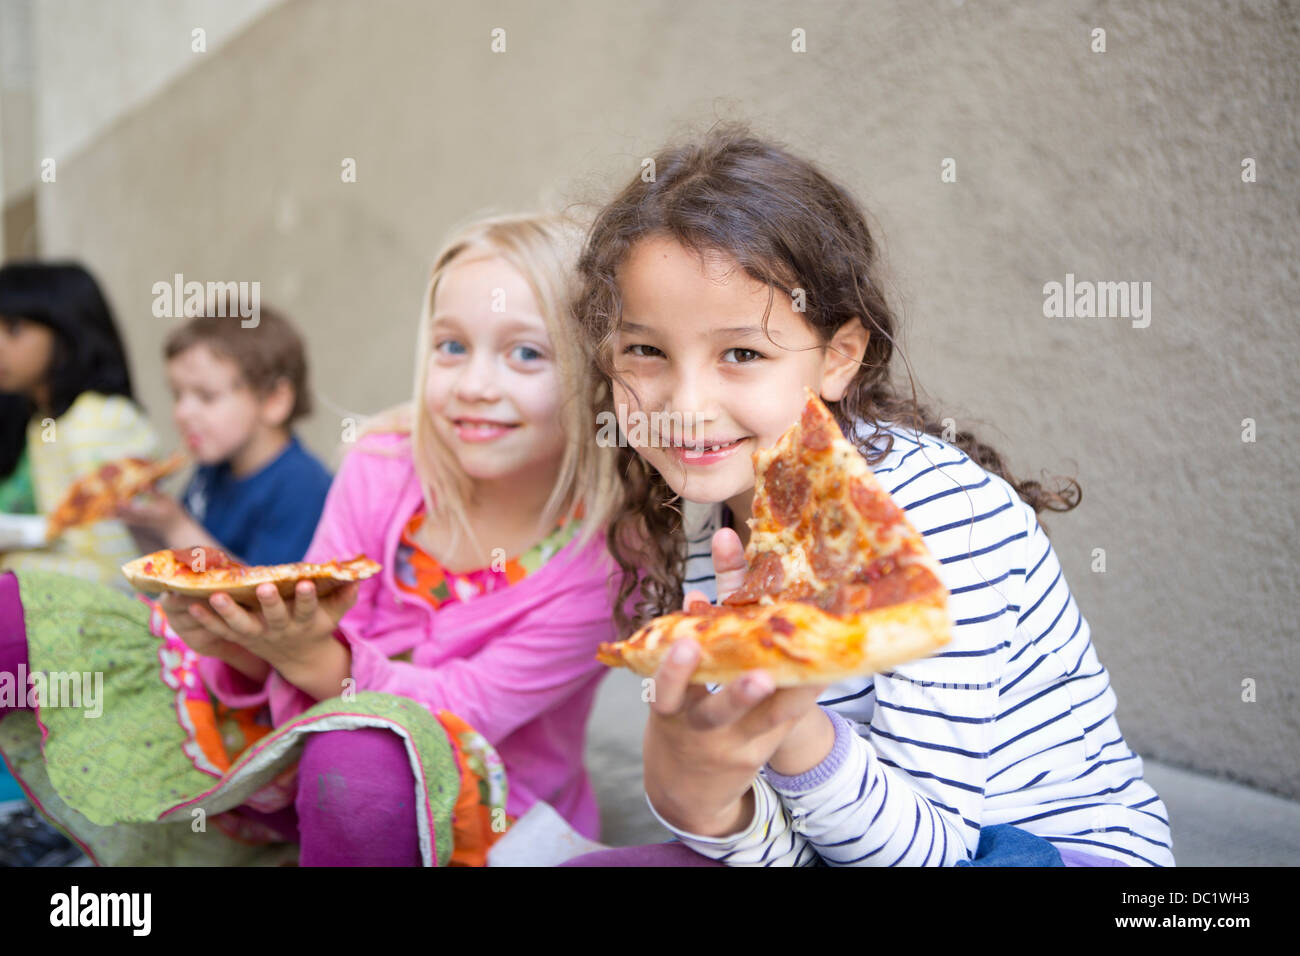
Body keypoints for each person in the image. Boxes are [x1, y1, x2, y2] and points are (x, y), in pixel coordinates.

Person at [565, 124, 1173, 867]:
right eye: (646, 350)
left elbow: (931, 857)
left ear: (839, 357)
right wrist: (708, 804)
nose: (686, 402)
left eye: (743, 353)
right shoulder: (709, 541)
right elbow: (787, 854)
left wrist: (789, 726)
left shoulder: (935, 520)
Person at [0, 212, 625, 867]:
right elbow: (308, 615)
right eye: (452, 347)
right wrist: (240, 645)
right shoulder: (382, 461)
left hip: (470, 793)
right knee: (21, 616)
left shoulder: (603, 564)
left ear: (593, 371)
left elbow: (459, 713)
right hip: (291, 729)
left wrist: (312, 660)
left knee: (352, 756)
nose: (474, 384)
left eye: (526, 353)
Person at [116, 307, 332, 565]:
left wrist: (175, 526)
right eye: (177, 395)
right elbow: (179, 564)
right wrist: (142, 523)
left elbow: (263, 592)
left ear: (274, 400)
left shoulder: (302, 486)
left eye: (207, 396)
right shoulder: (212, 469)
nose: (181, 413)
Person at [0, 262, 158, 590]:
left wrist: (14, 564)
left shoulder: (101, 418)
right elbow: (61, 537)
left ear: (66, 333)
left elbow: (124, 571)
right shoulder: (43, 422)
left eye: (13, 329)